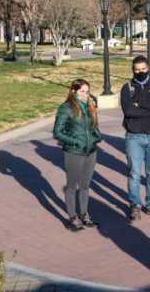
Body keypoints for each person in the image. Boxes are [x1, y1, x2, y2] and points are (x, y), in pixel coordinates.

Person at [120, 56, 150, 222]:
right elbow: (128, 111)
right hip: (134, 136)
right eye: (137, 70)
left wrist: (139, 105)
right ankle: (134, 205)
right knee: (134, 173)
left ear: (148, 68)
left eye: (143, 69)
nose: (140, 72)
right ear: (133, 70)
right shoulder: (127, 88)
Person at [52, 79, 102, 231]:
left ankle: (84, 215)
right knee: (72, 186)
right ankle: (72, 217)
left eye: (87, 91)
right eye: (82, 91)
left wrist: (96, 136)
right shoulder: (66, 108)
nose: (85, 94)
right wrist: (75, 142)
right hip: (74, 152)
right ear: (73, 91)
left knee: (85, 186)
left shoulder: (89, 106)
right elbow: (57, 132)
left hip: (90, 151)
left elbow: (93, 127)